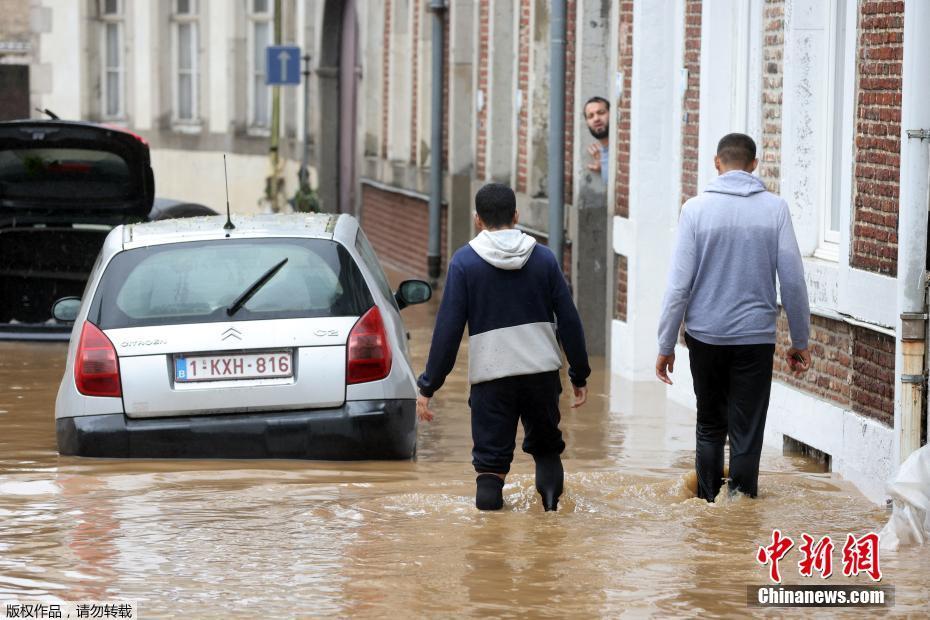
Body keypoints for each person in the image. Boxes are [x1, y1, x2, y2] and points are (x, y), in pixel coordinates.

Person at [655, 133, 812, 502]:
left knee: (710, 424)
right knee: (747, 431)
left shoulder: (694, 210)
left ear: (716, 163)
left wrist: (665, 344)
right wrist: (800, 340)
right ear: (754, 164)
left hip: (705, 337)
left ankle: (708, 505)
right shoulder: (775, 209)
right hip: (755, 338)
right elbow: (793, 280)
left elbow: (678, 286)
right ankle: (741, 507)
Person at [416, 183, 590, 512]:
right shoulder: (544, 258)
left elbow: (447, 333)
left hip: (491, 379)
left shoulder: (464, 263)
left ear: (477, 219)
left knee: (490, 468)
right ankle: (551, 521)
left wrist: (428, 386)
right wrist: (579, 375)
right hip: (541, 375)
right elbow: (569, 320)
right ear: (516, 215)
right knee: (547, 451)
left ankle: (489, 548)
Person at [583, 96, 610, 184]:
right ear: (587, 123)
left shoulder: (625, 148)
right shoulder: (602, 154)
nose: (596, 119)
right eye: (590, 116)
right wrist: (603, 167)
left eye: (601, 113)